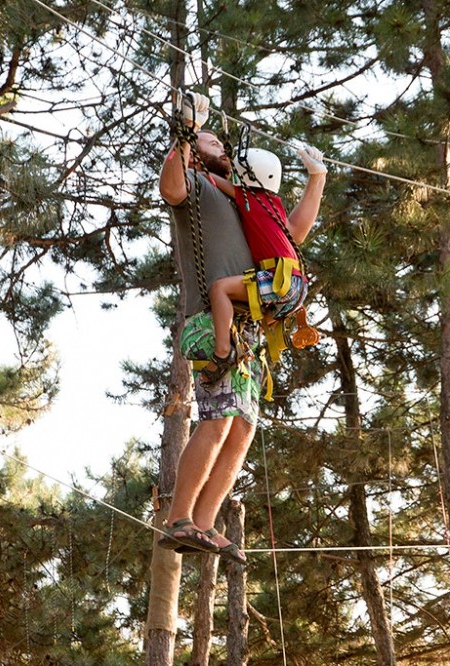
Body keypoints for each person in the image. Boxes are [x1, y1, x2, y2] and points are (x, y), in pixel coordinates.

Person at [154, 91, 326, 565]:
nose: (221, 146)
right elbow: (170, 188)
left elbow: (290, 234)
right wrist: (185, 134)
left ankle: (205, 523)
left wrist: (317, 179)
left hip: (248, 332)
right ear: (195, 154)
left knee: (241, 430)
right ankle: (179, 518)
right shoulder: (197, 186)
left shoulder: (248, 200)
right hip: (216, 323)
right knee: (217, 420)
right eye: (211, 142)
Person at [202, 143, 328, 387]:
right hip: (294, 283)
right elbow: (297, 230)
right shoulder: (272, 203)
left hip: (280, 280)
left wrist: (198, 169)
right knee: (257, 310)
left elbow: (213, 181)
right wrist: (317, 176)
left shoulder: (248, 198)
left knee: (219, 289)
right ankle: (272, 320)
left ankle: (223, 352)